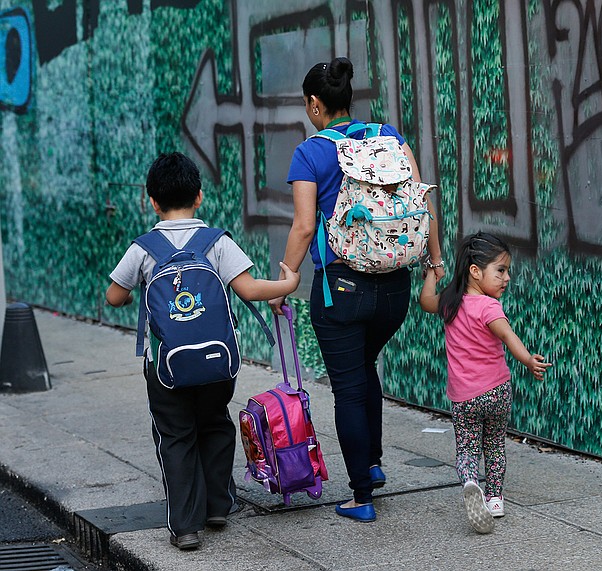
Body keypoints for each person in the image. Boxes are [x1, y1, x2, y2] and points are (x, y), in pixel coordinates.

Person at [269, 56, 444, 523]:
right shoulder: (389, 138)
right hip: (395, 289)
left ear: (314, 104)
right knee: (365, 368)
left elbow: (305, 228)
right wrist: (436, 261)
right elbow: (421, 201)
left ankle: (361, 495)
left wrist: (284, 281)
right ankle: (372, 462)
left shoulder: (310, 153)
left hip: (341, 291)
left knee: (347, 387)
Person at [105, 152, 299, 550]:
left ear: (153, 201)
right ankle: (218, 505)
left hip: (165, 367)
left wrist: (133, 294)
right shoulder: (216, 241)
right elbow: (249, 289)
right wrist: (288, 284)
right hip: (217, 362)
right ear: (199, 196)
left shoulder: (143, 248)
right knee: (214, 422)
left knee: (175, 435)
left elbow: (113, 296)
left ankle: (185, 526)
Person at [419, 231, 551, 534]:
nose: (506, 278)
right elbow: (508, 336)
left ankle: (469, 481)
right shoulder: (489, 307)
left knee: (467, 448)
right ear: (475, 271)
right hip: (497, 392)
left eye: (507, 272)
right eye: (501, 270)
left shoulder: (450, 303)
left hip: (464, 396)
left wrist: (431, 275)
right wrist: (528, 359)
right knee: (494, 446)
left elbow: (426, 301)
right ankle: (494, 498)